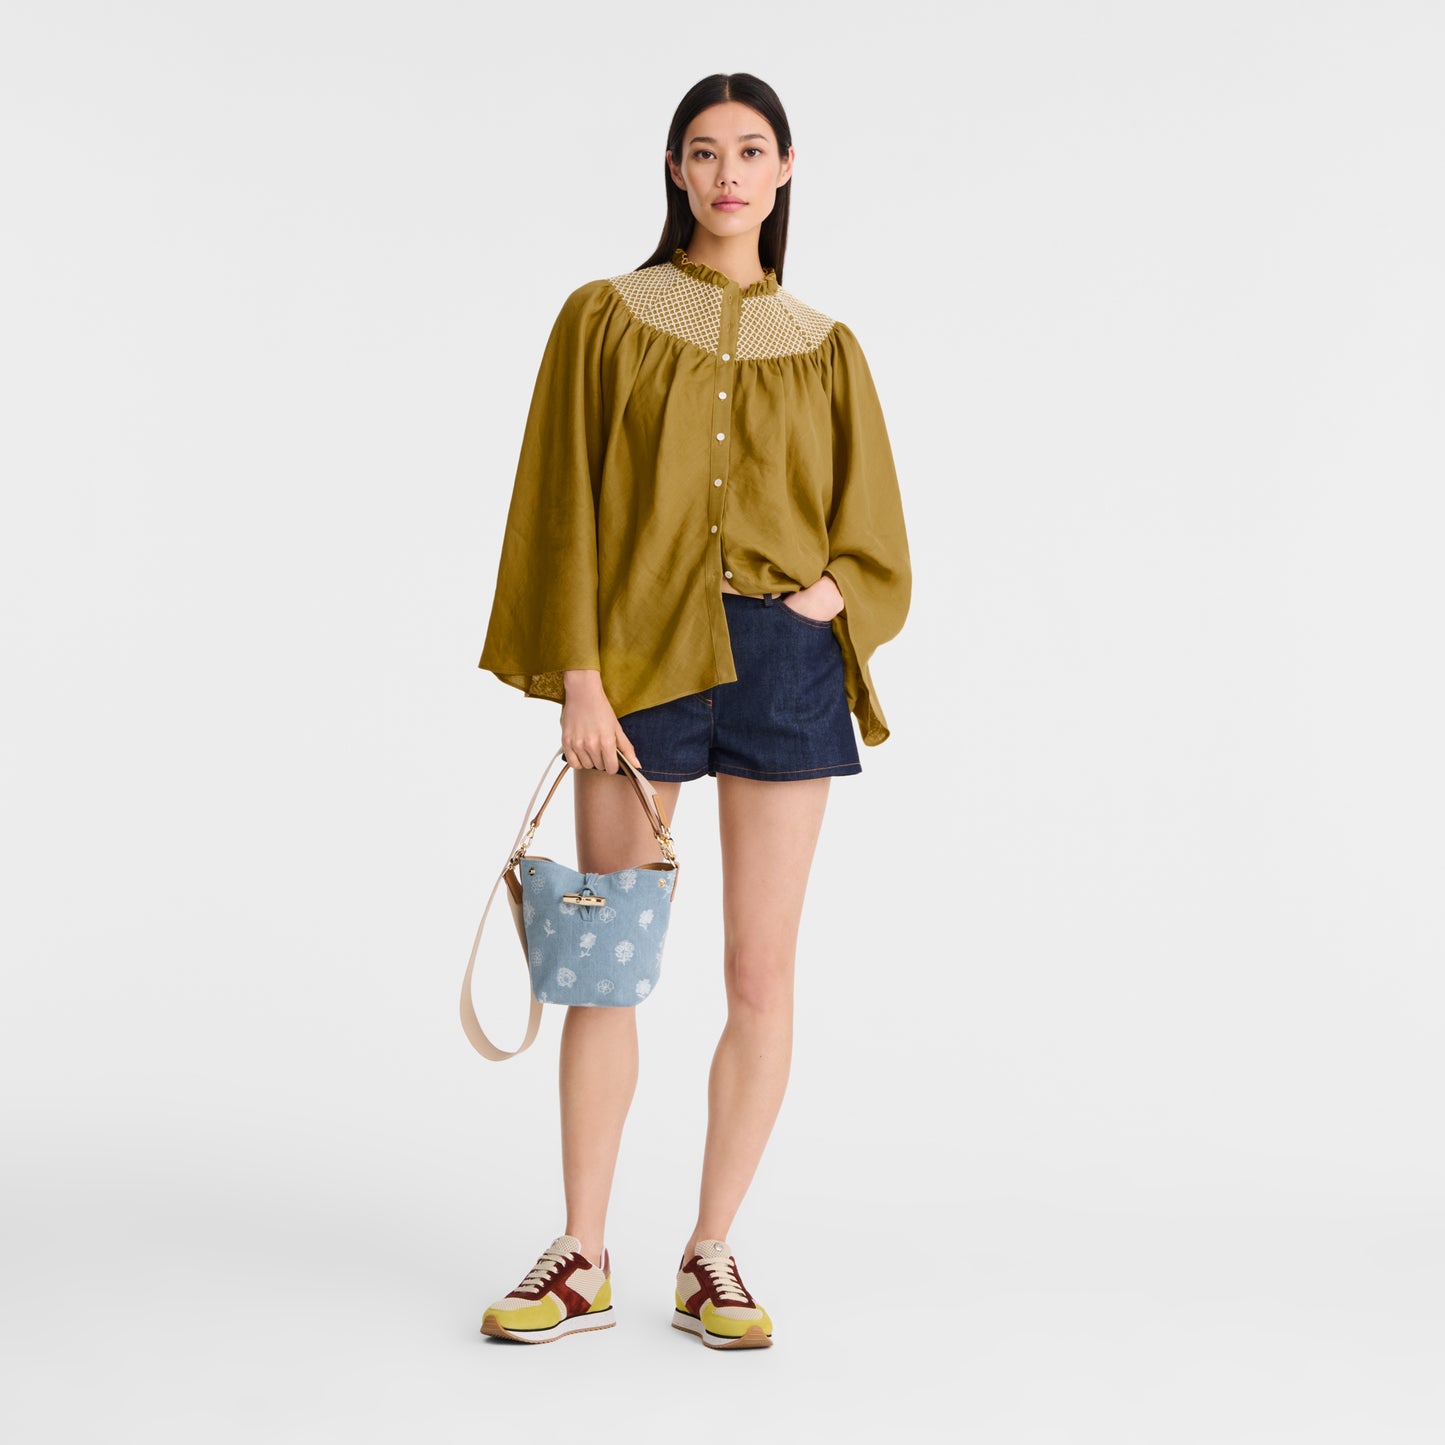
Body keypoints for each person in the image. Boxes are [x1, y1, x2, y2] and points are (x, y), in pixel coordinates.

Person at [475, 72, 910, 1349]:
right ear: (674, 168)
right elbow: (559, 499)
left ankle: (710, 1249)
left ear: (784, 170)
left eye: (751, 151)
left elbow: (876, 529)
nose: (728, 174)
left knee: (758, 972)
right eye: (705, 151)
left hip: (782, 660)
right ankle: (581, 1251)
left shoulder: (825, 344)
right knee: (604, 964)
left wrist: (827, 596)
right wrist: (580, 675)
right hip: (636, 658)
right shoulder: (603, 317)